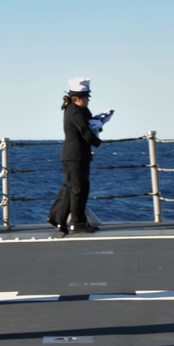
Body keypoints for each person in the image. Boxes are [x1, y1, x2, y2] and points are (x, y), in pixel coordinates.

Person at [48, 77, 103, 236]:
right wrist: (97, 141)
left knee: (70, 188)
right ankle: (77, 223)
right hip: (75, 155)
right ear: (78, 98)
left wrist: (99, 124)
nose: (88, 101)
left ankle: (56, 217)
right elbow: (85, 132)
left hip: (78, 155)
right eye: (86, 98)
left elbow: (88, 126)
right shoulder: (75, 111)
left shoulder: (79, 110)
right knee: (78, 189)